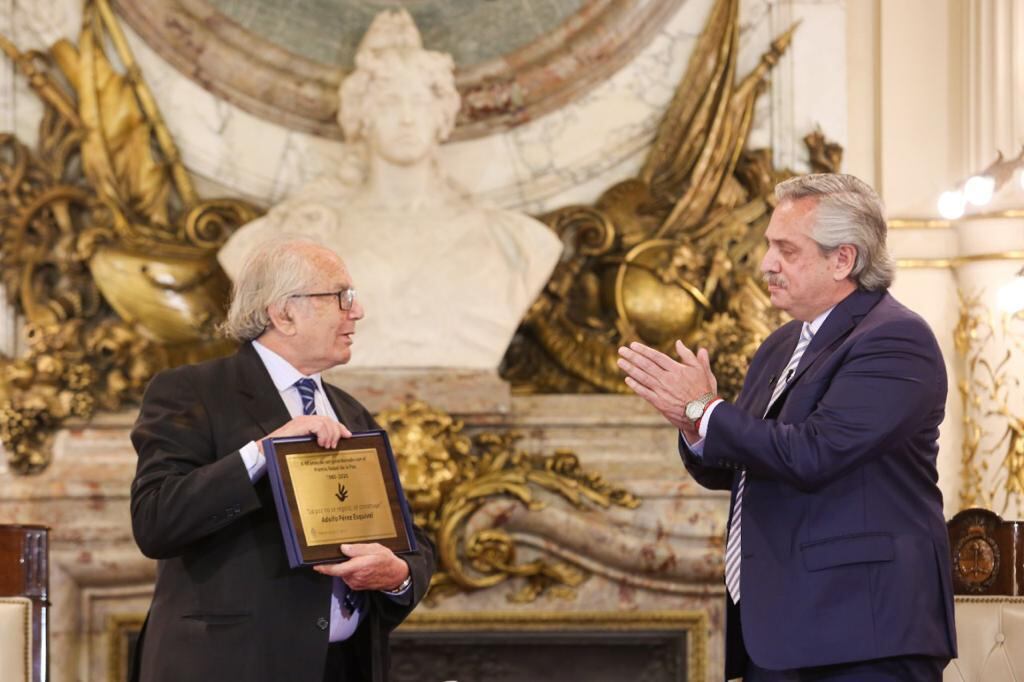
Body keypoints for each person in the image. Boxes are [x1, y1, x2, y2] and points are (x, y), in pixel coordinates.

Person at [618, 173, 956, 681]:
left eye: (787, 250)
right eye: (768, 245)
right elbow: (743, 466)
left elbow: (814, 454)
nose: (766, 263)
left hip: (863, 632)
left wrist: (705, 410)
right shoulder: (780, 345)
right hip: (784, 629)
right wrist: (693, 426)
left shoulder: (896, 339)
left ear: (843, 259)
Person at [129, 237, 435, 682]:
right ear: (284, 313)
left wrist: (397, 574)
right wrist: (262, 453)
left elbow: (411, 538)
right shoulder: (192, 391)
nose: (357, 311)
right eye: (341, 296)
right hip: (230, 667)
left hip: (342, 666)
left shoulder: (350, 412)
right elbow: (156, 520)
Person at [218, 9, 562, 369]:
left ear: (443, 115)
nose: (407, 118)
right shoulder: (296, 233)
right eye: (390, 102)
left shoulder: (514, 242)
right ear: (362, 116)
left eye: (420, 101)